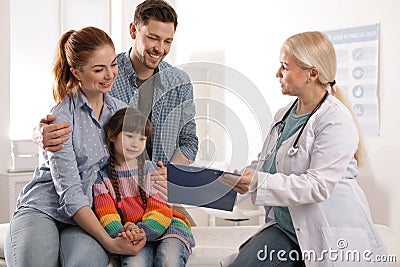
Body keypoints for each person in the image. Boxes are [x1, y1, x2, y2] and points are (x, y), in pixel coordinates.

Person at [218, 31, 387, 266]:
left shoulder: (335, 119)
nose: (277, 73)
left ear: (312, 74)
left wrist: (258, 181)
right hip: (287, 228)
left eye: (285, 66)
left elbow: (318, 186)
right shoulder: (284, 115)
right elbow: (265, 164)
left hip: (326, 233)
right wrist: (220, 184)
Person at [35, 0, 198, 221]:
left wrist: (170, 173)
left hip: (159, 192)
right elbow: (71, 116)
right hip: (114, 194)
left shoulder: (179, 82)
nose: (160, 48)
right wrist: (38, 133)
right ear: (133, 30)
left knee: (187, 239)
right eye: (152, 37)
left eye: (167, 41)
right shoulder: (106, 73)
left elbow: (189, 142)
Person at [5, 26, 146, 267]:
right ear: (77, 72)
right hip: (43, 208)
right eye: (99, 69)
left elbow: (130, 167)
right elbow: (70, 193)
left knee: (86, 262)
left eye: (113, 64)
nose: (110, 75)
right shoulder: (61, 118)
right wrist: (111, 243)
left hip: (90, 214)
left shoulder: (121, 111)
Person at [93, 107, 195, 266]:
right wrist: (126, 236)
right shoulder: (102, 179)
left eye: (142, 138)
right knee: (134, 263)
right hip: (132, 236)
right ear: (112, 135)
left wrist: (142, 232)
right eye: (129, 136)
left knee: (168, 258)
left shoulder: (152, 171)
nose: (135, 143)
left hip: (168, 227)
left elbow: (161, 209)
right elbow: (107, 216)